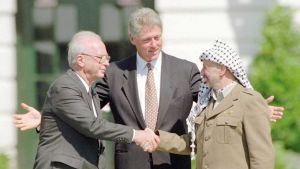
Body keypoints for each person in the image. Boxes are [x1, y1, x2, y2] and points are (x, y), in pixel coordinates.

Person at [14, 8, 283, 169]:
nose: (154, 44)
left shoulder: (186, 69)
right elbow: (87, 108)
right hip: (130, 163)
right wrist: (47, 118)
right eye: (146, 40)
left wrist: (253, 108)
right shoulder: (116, 71)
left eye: (158, 37)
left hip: (172, 162)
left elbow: (214, 99)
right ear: (133, 40)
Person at [30, 31, 159, 169]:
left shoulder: (91, 91)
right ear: (80, 60)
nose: (107, 63)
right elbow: (93, 126)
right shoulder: (64, 87)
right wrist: (135, 135)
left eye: (107, 58)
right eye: (100, 58)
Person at [154, 40, 274, 169]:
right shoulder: (207, 103)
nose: (201, 72)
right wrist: (157, 139)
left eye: (205, 67)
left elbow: (262, 158)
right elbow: (194, 143)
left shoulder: (250, 101)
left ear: (222, 70)